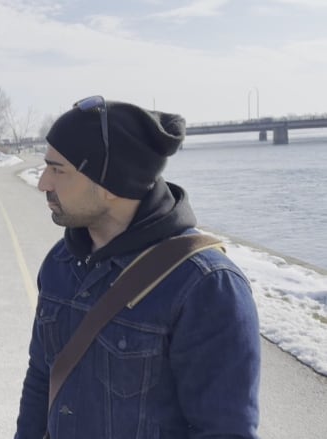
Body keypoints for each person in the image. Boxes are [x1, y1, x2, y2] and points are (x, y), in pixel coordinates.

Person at [15, 96, 260, 438]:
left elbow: (223, 431)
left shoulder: (205, 286)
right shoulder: (61, 261)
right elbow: (42, 377)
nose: (43, 183)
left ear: (111, 184)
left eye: (58, 170)